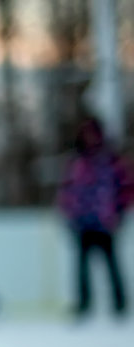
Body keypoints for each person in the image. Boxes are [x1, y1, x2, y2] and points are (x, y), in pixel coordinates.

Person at [57, 116, 133, 320]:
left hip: (105, 221)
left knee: (112, 264)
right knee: (82, 267)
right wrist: (68, 213)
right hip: (82, 222)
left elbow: (126, 187)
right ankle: (84, 304)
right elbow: (67, 190)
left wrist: (120, 212)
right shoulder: (76, 162)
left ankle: (120, 303)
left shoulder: (111, 160)